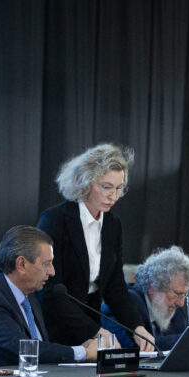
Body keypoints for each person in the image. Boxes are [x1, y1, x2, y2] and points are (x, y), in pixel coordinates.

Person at [37, 143, 154, 351]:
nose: (113, 196)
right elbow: (51, 291)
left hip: (92, 327)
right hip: (55, 327)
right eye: (106, 187)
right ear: (85, 182)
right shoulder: (55, 220)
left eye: (119, 188)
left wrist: (137, 327)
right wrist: (95, 331)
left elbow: (115, 288)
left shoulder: (113, 224)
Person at [0, 225, 101, 368]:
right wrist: (82, 353)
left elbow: (41, 348)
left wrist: (82, 349)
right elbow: (22, 349)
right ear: (21, 264)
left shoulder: (30, 295)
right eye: (47, 264)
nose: (52, 272)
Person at [121, 246, 189, 350]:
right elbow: (134, 347)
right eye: (177, 294)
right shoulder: (126, 303)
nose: (181, 303)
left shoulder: (175, 309)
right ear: (152, 286)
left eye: (185, 294)